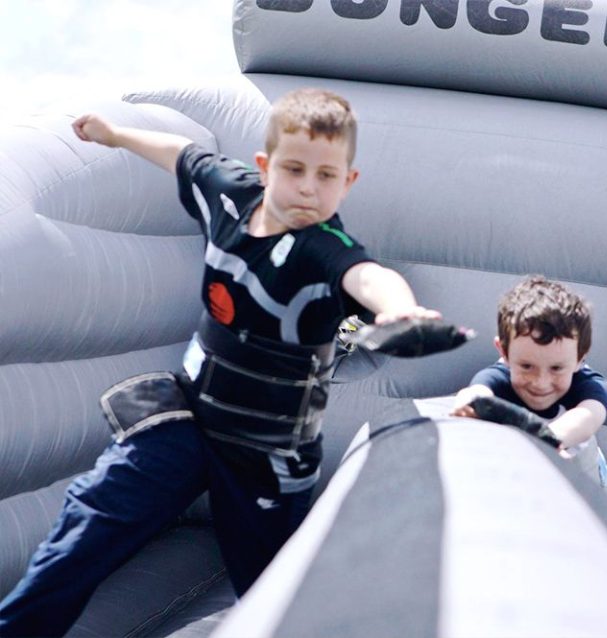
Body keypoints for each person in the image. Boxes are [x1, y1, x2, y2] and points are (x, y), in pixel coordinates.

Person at [0, 88, 441, 637]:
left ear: (347, 182)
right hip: (187, 418)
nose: (308, 187)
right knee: (86, 527)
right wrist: (112, 135)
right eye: (294, 169)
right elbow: (180, 151)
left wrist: (403, 312)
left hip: (267, 456)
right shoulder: (229, 194)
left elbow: (369, 278)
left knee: (276, 593)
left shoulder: (326, 250)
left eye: (327, 176)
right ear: (264, 166)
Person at [451, 276, 607, 500]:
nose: (541, 382)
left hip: (587, 488)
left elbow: (588, 416)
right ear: (504, 352)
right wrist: (469, 406)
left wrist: (547, 439)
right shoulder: (500, 377)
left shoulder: (589, 385)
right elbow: (477, 391)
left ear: (580, 358)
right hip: (523, 479)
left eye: (557, 368)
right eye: (527, 366)